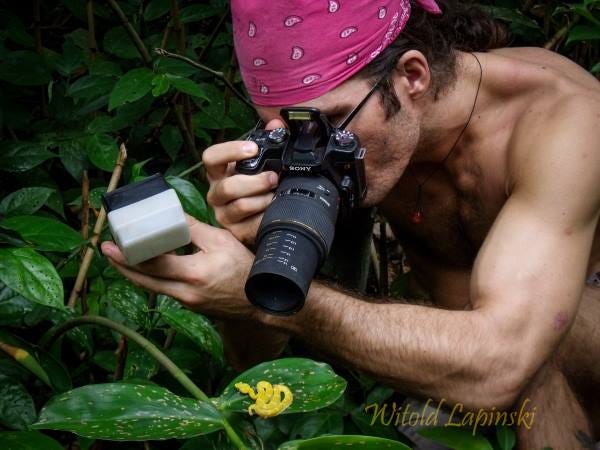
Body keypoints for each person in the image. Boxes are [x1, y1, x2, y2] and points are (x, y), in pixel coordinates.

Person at [100, 1, 600, 448]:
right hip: (466, 354)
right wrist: (248, 251)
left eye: (327, 124)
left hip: (541, 337)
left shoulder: (562, 122)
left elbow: (502, 366)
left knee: (537, 341)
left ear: (412, 76)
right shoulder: (340, 131)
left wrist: (286, 310)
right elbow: (252, 364)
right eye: (282, 130)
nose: (306, 150)